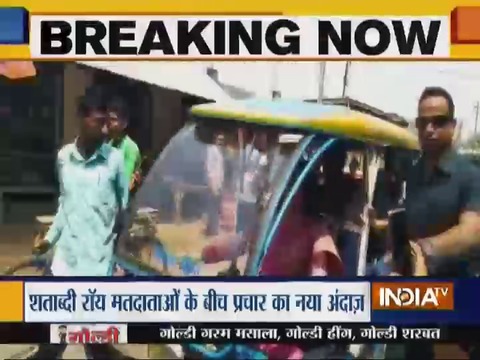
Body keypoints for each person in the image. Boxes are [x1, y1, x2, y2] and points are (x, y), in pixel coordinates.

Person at [29, 91, 129, 359]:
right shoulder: (64, 158)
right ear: (83, 119)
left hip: (97, 269)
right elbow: (65, 205)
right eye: (100, 122)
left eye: (109, 122)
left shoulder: (115, 161)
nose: (107, 129)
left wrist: (120, 260)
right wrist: (49, 238)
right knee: (50, 344)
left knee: (96, 346)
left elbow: (123, 212)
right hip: (63, 265)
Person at [403, 87, 480, 359]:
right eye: (423, 123)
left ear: (453, 125)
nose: (429, 129)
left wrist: (422, 250)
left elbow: (472, 232)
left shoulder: (469, 176)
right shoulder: (413, 173)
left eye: (438, 121)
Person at [106, 97, 141, 194]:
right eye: (108, 119)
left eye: (113, 119)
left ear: (124, 123)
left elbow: (124, 182)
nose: (109, 123)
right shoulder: (107, 144)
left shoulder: (130, 148)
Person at [205, 132, 225, 236]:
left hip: (219, 182)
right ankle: (211, 230)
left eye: (222, 140)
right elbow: (209, 168)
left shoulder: (220, 151)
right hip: (213, 182)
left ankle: (213, 228)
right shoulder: (211, 149)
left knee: (217, 206)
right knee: (212, 206)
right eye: (219, 139)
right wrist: (212, 184)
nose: (220, 142)